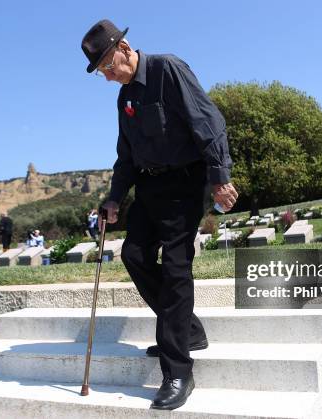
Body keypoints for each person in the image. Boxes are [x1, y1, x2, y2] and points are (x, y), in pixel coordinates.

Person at [81, 20, 238, 410]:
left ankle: (178, 372)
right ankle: (190, 330)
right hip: (150, 188)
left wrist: (220, 177)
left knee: (175, 266)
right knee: (134, 255)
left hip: (186, 183)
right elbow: (126, 155)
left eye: (108, 65)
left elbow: (208, 123)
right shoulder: (124, 99)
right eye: (101, 71)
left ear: (125, 47)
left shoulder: (168, 70)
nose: (108, 75)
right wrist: (115, 199)